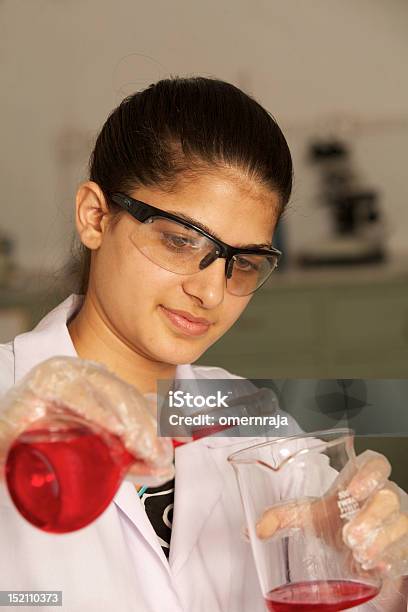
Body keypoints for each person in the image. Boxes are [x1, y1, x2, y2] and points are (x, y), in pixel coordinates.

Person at [0, 76, 407, 611]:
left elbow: (356, 587)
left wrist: (385, 565)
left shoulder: (247, 416)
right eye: (179, 241)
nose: (211, 291)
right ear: (95, 216)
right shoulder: (10, 403)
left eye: (243, 263)